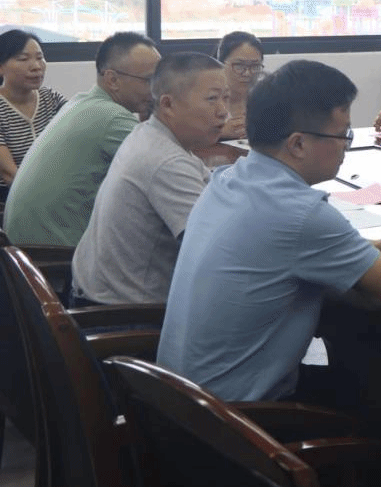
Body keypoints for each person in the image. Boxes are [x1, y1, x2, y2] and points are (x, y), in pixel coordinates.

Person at [158, 60, 381, 409]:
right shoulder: (301, 214)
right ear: (298, 144)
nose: (346, 147)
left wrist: (377, 248)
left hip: (179, 403)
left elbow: (283, 251)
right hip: (239, 422)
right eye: (343, 135)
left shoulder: (228, 179)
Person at [71, 52, 228, 305]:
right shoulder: (166, 161)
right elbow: (216, 248)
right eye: (212, 99)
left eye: (225, 98)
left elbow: (209, 189)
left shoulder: (149, 133)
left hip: (95, 293)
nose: (223, 112)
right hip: (122, 315)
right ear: (168, 104)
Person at [4, 32, 161, 247]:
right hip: (50, 251)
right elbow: (164, 167)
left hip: (23, 243)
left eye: (40, 57)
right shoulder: (111, 117)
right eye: (150, 80)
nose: (158, 90)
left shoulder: (76, 101)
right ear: (113, 80)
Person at [0, 29, 68, 211]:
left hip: (53, 191)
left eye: (40, 57)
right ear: (1, 67)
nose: (36, 66)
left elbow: (78, 132)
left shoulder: (51, 98)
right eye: (23, 59)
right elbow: (9, 174)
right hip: (11, 201)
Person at [216, 30, 264, 141]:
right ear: (221, 64)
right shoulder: (205, 98)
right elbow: (185, 137)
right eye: (239, 66)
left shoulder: (266, 98)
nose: (247, 73)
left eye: (255, 66)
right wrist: (220, 132)